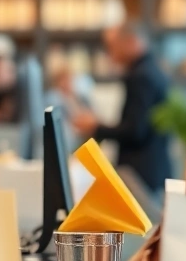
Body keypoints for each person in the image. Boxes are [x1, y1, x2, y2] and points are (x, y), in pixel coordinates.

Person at [72, 21, 172, 193]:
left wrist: (95, 127)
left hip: (141, 174)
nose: (110, 54)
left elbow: (135, 130)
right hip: (152, 169)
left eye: (113, 46)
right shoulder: (151, 69)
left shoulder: (142, 77)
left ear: (131, 41)